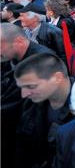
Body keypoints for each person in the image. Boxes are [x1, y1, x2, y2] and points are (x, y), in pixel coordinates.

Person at [1, 23, 55, 168]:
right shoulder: (10, 55)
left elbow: (16, 100)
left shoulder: (43, 60)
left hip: (32, 130)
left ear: (18, 41)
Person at [14, 53, 74, 167]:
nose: (24, 94)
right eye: (22, 87)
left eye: (31, 86)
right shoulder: (30, 104)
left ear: (58, 78)